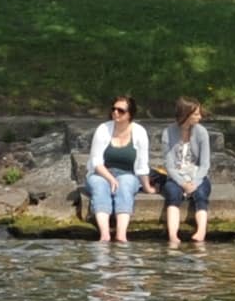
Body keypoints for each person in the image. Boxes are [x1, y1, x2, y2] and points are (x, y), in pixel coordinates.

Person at [86, 95, 149, 243]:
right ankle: (105, 234)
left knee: (125, 184)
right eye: (113, 109)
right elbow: (96, 161)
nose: (115, 112)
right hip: (101, 173)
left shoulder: (139, 132)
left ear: (130, 114)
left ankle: (121, 235)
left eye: (120, 110)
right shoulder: (103, 129)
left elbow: (142, 164)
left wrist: (147, 186)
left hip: (127, 174)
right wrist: (110, 178)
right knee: (99, 186)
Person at [158, 98, 213, 248]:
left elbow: (205, 164)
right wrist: (182, 183)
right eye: (196, 114)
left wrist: (194, 183)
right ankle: (173, 235)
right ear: (185, 115)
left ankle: (201, 231)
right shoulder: (168, 133)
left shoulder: (202, 132)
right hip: (177, 175)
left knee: (201, 195)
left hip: (197, 175)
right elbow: (169, 165)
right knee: (172, 194)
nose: (199, 117)